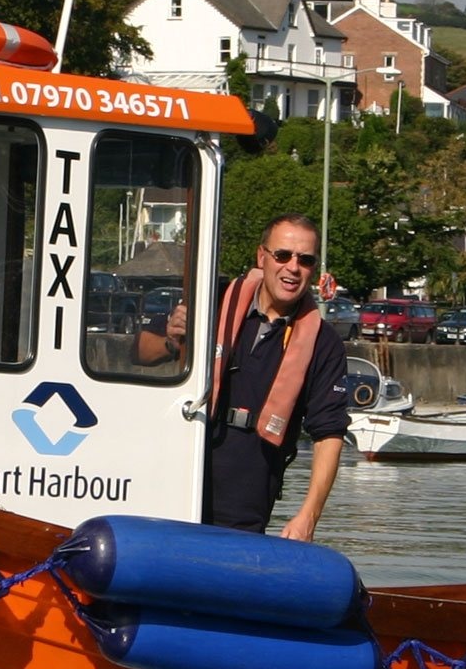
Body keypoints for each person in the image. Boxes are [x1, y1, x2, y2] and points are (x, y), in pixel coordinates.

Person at [133, 214, 349, 540]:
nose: (293, 267)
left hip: (247, 497)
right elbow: (138, 353)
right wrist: (172, 338)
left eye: (305, 260)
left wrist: (308, 516)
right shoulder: (212, 301)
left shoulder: (324, 343)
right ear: (262, 257)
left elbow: (329, 434)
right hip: (177, 475)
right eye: (283, 255)